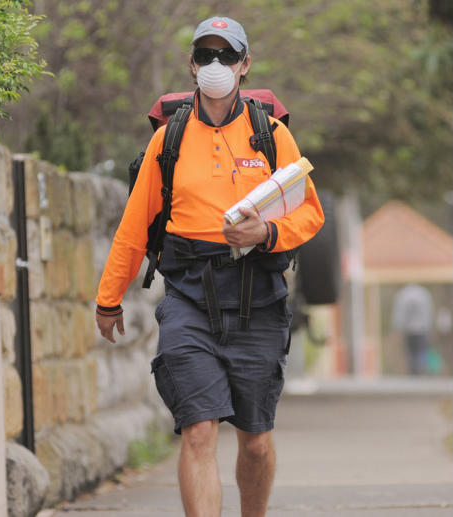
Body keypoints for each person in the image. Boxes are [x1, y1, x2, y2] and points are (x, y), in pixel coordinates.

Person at [94, 16, 324, 517]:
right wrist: (108, 298)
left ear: (245, 65)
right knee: (198, 431)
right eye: (205, 55)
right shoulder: (168, 141)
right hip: (189, 298)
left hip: (258, 299)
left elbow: (310, 211)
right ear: (191, 65)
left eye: (226, 55)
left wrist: (266, 233)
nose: (214, 65)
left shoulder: (272, 135)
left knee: (256, 442)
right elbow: (135, 228)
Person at [391, 283, 435, 375]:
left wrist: (398, 328)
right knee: (420, 351)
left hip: (409, 330)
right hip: (422, 329)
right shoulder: (424, 294)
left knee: (411, 352)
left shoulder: (403, 294)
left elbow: (399, 313)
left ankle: (413, 372)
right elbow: (429, 313)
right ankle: (420, 370)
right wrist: (429, 327)